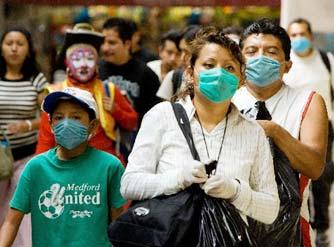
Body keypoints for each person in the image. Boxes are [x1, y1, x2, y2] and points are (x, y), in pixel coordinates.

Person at [121, 26, 280, 226]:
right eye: (209, 64)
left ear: (241, 80)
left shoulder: (252, 132)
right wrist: (178, 178)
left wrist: (235, 191)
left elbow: (271, 210)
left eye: (229, 68)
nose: (219, 73)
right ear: (189, 73)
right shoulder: (161, 116)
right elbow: (129, 185)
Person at [233, 18, 328, 246]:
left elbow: (314, 167)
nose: (260, 58)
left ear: (287, 64)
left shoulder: (308, 102)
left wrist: (274, 131)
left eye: (272, 51)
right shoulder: (226, 100)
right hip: (229, 226)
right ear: (240, 61)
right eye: (252, 51)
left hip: (291, 231)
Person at [0, 87, 126, 247]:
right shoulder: (36, 167)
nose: (66, 124)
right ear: (51, 125)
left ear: (92, 126)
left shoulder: (110, 166)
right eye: (59, 117)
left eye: (76, 117)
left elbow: (118, 223)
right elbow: (11, 222)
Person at [35, 23, 138, 162]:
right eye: (77, 59)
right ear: (67, 63)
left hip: (104, 163)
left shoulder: (109, 90)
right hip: (65, 163)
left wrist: (116, 110)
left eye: (89, 59)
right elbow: (45, 140)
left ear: (96, 63)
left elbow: (133, 123)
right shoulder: (55, 93)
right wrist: (41, 168)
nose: (83, 64)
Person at [0, 27, 48, 247]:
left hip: (26, 155)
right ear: (1, 48)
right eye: (9, 43)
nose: (14, 48)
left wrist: (28, 124)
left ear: (29, 50)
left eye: (20, 44)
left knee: (22, 214)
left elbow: (49, 115)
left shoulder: (36, 79)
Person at [284, 18, 334, 247]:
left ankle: (322, 228)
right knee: (293, 180)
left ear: (311, 36)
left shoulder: (327, 61)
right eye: (293, 35)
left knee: (322, 179)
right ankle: (295, 227)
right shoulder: (286, 63)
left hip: (324, 126)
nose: (298, 39)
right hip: (292, 126)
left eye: (302, 34)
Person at [99, 17, 161, 122]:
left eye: (112, 43)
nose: (105, 48)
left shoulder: (146, 74)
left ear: (127, 44)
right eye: (103, 42)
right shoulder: (96, 70)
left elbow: (154, 115)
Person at [156, 25, 200, 100]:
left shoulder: (210, 81)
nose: (182, 58)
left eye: (187, 52)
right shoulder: (174, 77)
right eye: (181, 51)